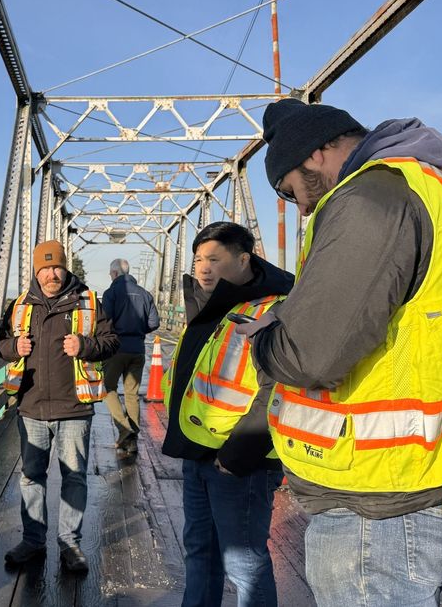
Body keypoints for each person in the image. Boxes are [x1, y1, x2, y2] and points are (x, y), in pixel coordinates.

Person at [239, 98, 442, 606]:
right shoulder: (433, 190)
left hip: (378, 499)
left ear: (313, 154)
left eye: (287, 189)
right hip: (424, 478)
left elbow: (308, 356)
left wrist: (266, 336)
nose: (301, 207)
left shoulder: (371, 198)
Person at [161, 222, 293, 607]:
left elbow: (280, 389)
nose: (203, 268)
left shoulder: (273, 309)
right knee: (199, 552)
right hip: (198, 452)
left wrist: (235, 458)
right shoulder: (213, 305)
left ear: (243, 259)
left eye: (214, 259)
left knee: (244, 565)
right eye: (199, 259)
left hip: (240, 462)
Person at [0, 240, 119, 572]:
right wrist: (13, 347)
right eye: (45, 268)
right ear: (37, 271)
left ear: (67, 268)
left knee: (74, 476)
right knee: (31, 476)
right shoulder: (20, 305)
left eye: (57, 267)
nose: (52, 274)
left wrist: (86, 345)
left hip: (74, 407)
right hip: (31, 406)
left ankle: (69, 543)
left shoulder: (89, 302)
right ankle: (33, 541)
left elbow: (111, 342)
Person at [101, 258, 160, 454]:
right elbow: (154, 322)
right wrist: (137, 330)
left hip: (116, 349)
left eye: (111, 274)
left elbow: (105, 320)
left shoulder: (111, 293)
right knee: (131, 394)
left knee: (106, 388)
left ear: (116, 273)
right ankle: (130, 440)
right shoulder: (145, 294)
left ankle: (125, 430)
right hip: (138, 349)